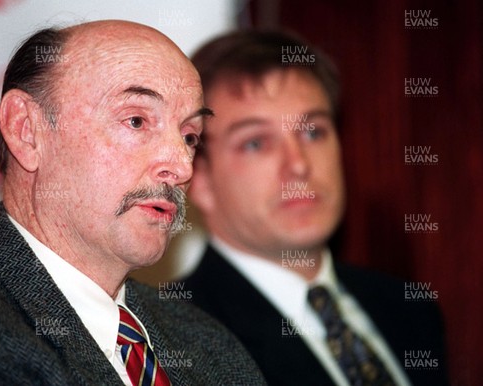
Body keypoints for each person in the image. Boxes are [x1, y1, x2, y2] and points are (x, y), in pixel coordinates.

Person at [0, 21, 267, 386]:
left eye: (189, 137)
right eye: (136, 121)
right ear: (27, 132)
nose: (182, 167)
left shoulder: (209, 343)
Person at [183, 29, 449, 386]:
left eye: (313, 132)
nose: (298, 164)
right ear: (198, 178)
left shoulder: (409, 310)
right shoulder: (176, 340)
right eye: (256, 142)